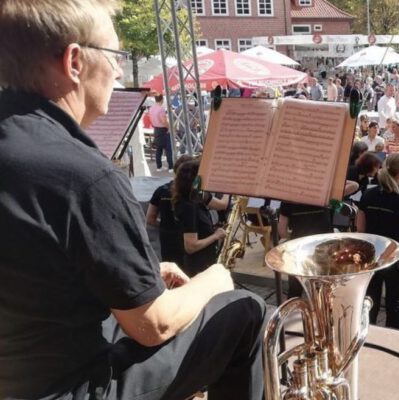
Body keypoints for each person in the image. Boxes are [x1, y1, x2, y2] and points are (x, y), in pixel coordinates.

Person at [0, 1, 266, 398]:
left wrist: (129, 274)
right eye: (115, 55)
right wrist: (215, 279)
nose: (121, 70)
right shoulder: (85, 176)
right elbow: (152, 324)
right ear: (75, 61)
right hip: (68, 386)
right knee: (243, 309)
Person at [357, 154, 399, 328]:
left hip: (371, 255)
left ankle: (367, 335)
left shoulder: (368, 194)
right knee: (395, 304)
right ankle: (391, 339)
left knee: (370, 301)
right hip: (395, 256)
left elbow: (360, 230)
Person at [172, 160, 228, 277]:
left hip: (205, 261)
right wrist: (215, 236)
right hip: (199, 267)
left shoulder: (195, 197)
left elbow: (221, 205)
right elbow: (191, 246)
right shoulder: (188, 207)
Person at [146, 154, 194, 266]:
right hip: (188, 239)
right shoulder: (192, 194)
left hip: (167, 237)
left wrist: (165, 223)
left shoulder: (161, 190)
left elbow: (150, 218)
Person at [278, 201, 333, 297]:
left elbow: (282, 231)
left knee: (295, 288)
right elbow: (354, 186)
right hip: (323, 247)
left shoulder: (287, 199)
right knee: (322, 289)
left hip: (299, 247)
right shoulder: (324, 195)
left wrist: (294, 237)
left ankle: (294, 309)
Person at [149, 94, 173, 171]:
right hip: (163, 130)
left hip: (156, 129)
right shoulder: (161, 109)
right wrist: (169, 127)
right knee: (168, 149)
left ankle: (159, 167)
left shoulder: (151, 108)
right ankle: (171, 167)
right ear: (162, 99)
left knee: (158, 149)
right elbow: (164, 121)